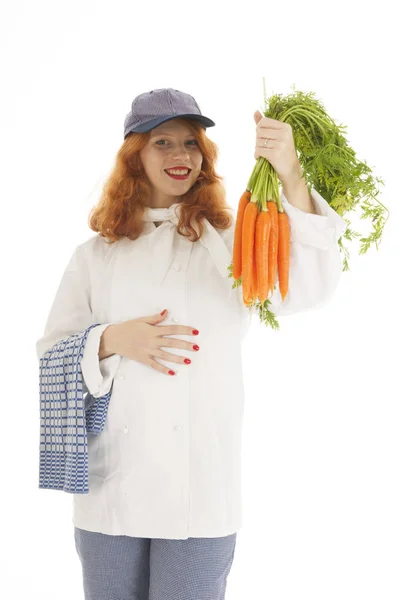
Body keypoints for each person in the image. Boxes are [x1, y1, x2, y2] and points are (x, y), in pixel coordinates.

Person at [36, 88, 346, 600]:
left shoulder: (228, 239)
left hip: (201, 485)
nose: (180, 156)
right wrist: (112, 340)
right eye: (163, 142)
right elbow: (52, 354)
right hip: (113, 485)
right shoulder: (95, 255)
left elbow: (305, 290)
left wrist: (290, 173)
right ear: (135, 154)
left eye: (190, 143)